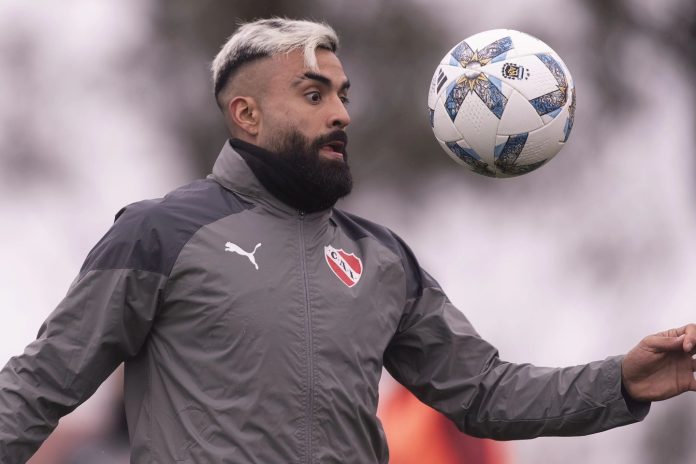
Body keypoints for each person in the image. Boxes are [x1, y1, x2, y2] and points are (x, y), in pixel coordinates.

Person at [0, 17, 694, 464]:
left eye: (343, 94)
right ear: (246, 113)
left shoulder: (382, 258)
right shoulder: (158, 233)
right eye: (312, 95)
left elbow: (484, 393)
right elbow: (36, 390)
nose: (341, 114)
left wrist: (620, 381)